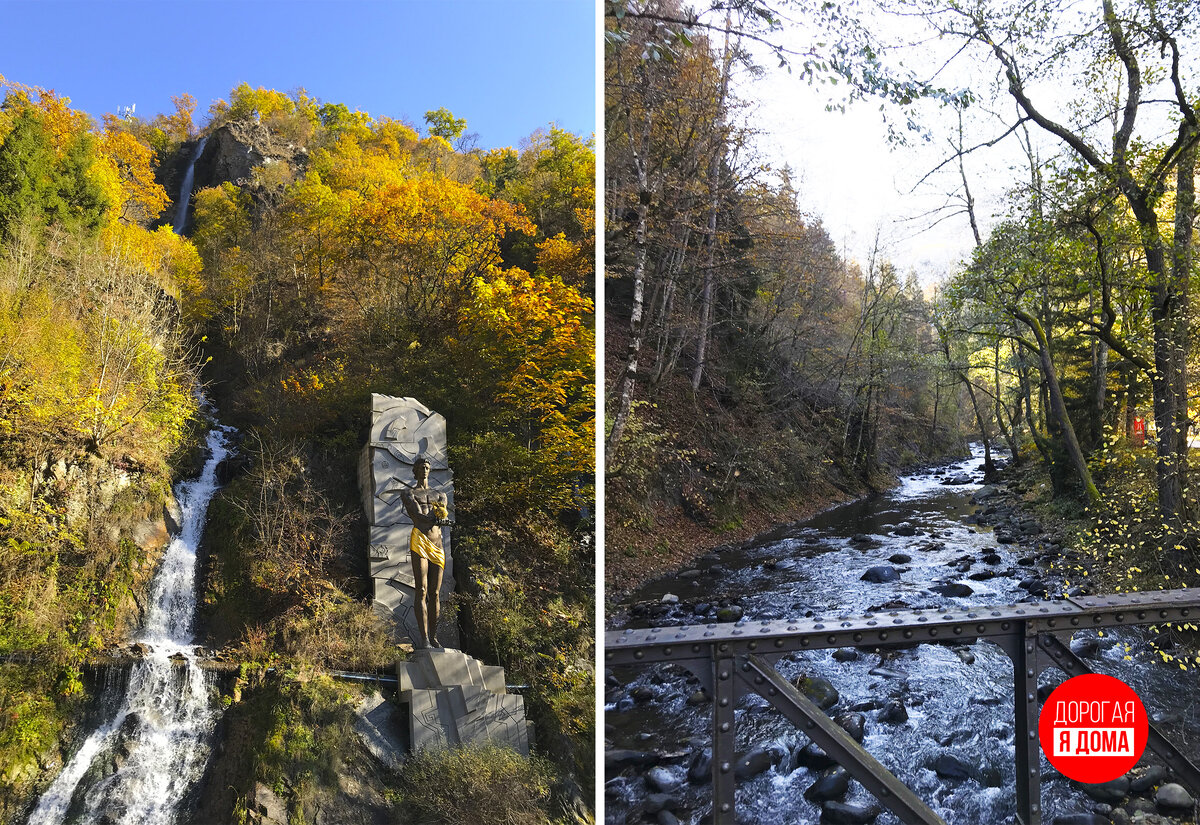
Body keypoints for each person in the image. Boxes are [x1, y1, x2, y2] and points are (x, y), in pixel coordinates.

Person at [397, 456, 451, 649]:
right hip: (420, 540)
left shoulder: (440, 494)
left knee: (435, 593)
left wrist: (440, 518)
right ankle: (424, 639)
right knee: (421, 589)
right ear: (415, 470)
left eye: (427, 467)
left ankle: (434, 637)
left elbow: (441, 515)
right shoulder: (408, 492)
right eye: (421, 467)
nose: (425, 470)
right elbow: (417, 516)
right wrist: (437, 518)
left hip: (437, 543)